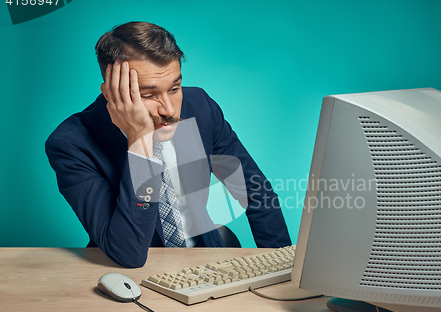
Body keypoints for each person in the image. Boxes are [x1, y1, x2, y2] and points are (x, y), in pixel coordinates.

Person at [45, 21, 291, 268]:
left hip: (206, 260)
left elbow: (255, 191)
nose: (170, 109)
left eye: (174, 88)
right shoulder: (71, 144)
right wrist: (140, 138)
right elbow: (127, 253)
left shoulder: (201, 108)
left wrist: (280, 268)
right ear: (111, 94)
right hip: (128, 273)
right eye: (148, 95)